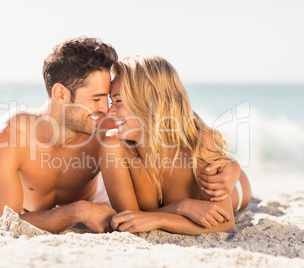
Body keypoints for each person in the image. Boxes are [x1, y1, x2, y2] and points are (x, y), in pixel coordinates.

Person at [0, 37, 244, 234]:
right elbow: (4, 221)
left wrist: (233, 166)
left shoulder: (108, 127)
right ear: (61, 94)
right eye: (98, 98)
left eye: (110, 98)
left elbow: (167, 118)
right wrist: (79, 211)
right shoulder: (9, 137)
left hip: (105, 195)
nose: (105, 108)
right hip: (70, 201)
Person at [99, 55, 252, 235]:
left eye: (118, 100)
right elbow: (129, 219)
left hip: (237, 189)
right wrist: (180, 207)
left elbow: (225, 225)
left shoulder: (198, 143)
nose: (110, 111)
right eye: (111, 101)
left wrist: (160, 218)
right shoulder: (114, 146)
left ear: (149, 102)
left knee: (223, 166)